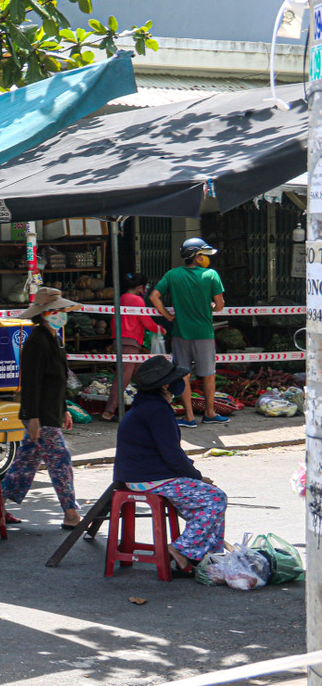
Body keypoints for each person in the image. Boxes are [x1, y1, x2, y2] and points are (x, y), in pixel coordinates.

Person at [113, 355, 227, 572]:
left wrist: (193, 475)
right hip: (148, 477)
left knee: (205, 500)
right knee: (215, 497)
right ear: (166, 385)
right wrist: (197, 476)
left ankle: (208, 556)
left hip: (145, 474)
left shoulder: (148, 406)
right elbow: (173, 455)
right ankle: (181, 549)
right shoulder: (157, 410)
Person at [1, 287, 82, 529]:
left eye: (63, 311)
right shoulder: (37, 340)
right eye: (57, 311)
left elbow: (57, 381)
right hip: (41, 415)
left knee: (25, 463)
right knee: (61, 462)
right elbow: (31, 382)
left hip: (50, 412)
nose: (62, 315)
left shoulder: (54, 338)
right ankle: (70, 513)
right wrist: (31, 417)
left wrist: (64, 408)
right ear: (45, 314)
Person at [150, 238, 227, 428]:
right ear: (197, 256)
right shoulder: (211, 275)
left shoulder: (172, 274)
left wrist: (168, 316)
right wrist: (211, 307)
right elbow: (220, 305)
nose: (207, 259)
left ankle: (189, 417)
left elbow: (154, 296)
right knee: (209, 375)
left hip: (180, 333)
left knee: (183, 375)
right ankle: (209, 413)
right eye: (204, 255)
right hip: (204, 334)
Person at [101, 272, 166, 421]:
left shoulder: (122, 298)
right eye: (145, 287)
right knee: (123, 378)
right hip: (130, 343)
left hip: (121, 341)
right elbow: (146, 321)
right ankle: (109, 411)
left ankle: (153, 404)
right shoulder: (137, 300)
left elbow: (113, 321)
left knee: (143, 375)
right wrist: (160, 329)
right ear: (140, 287)